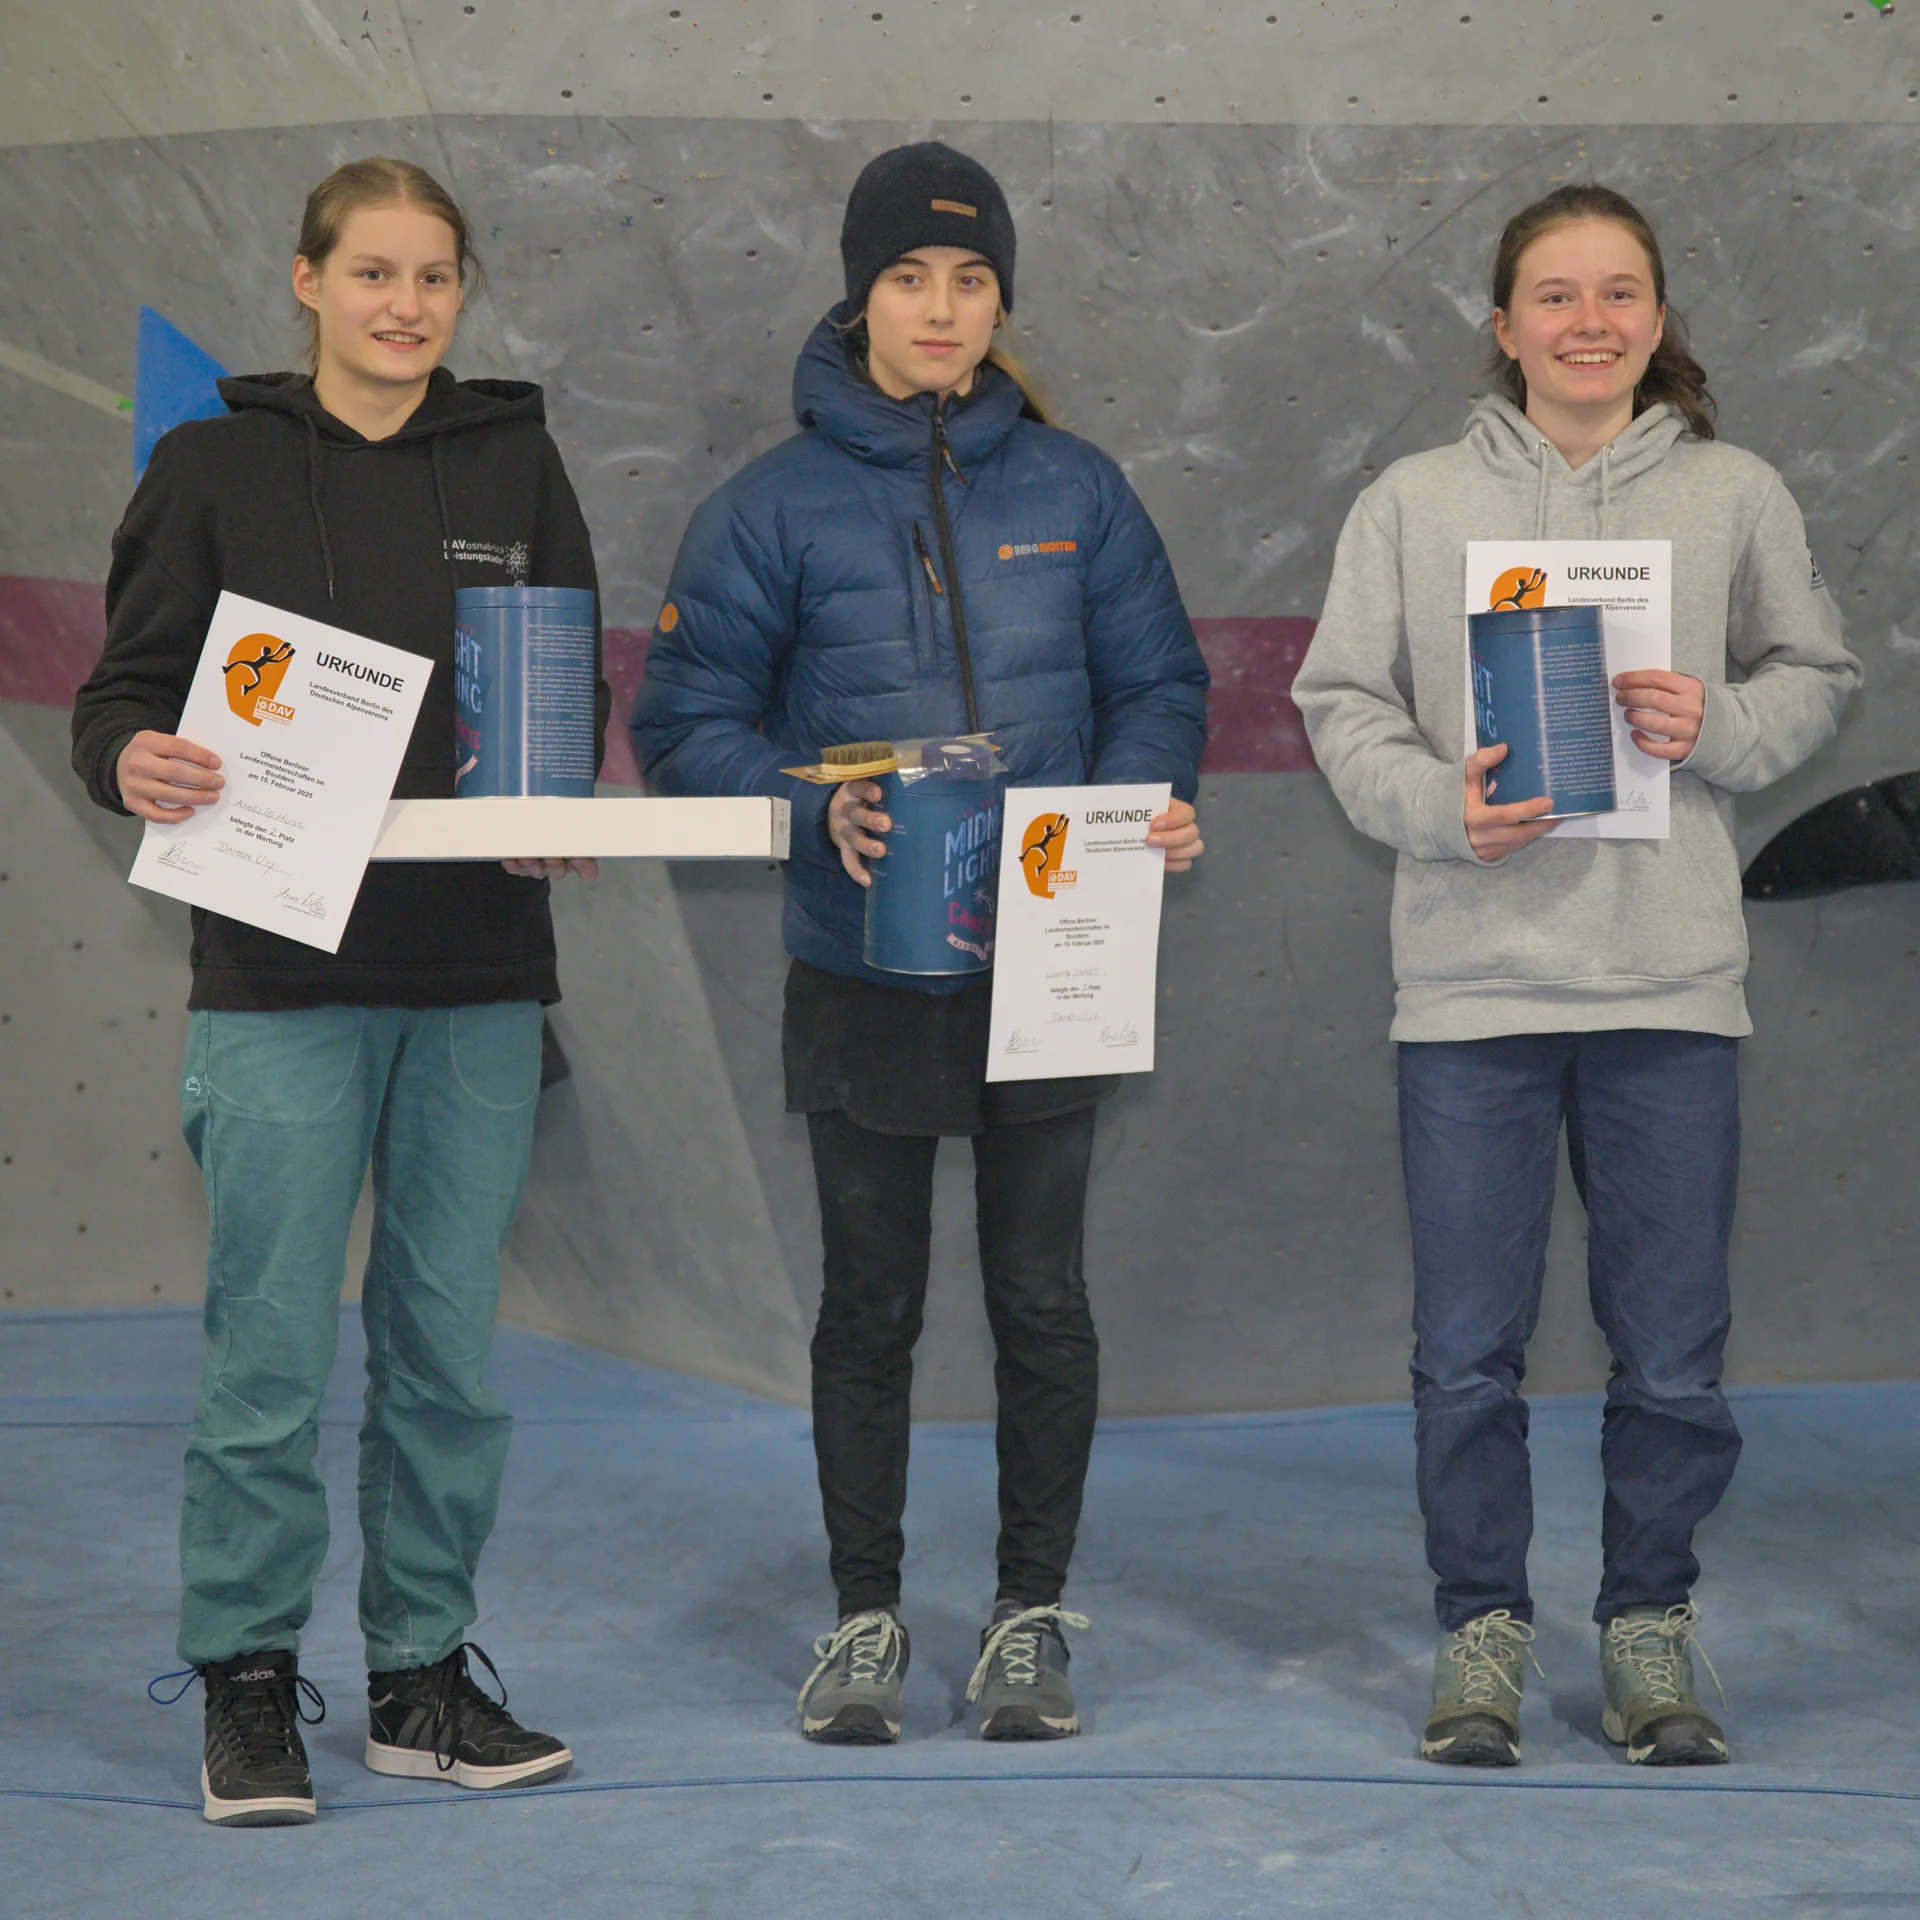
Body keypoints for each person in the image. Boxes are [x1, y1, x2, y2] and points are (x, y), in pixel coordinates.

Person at [634, 141, 1208, 1745]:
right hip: (864, 965)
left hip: (1056, 957)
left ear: (1000, 300)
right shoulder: (773, 504)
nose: (940, 308)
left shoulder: (1080, 488)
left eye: (969, 281)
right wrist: (812, 814)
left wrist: (1130, 809)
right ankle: (864, 1618)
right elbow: (681, 721)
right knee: (870, 1307)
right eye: (908, 278)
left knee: (1041, 1296)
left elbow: (1161, 684)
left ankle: (1031, 1617)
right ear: (859, 294)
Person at [1293, 182, 1860, 1770]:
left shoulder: (1735, 493)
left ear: (1658, 321)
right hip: (1472, 992)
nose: (1589, 322)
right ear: (1503, 325)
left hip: (1669, 984)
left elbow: (1820, 673)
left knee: (1673, 1346)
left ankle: (1647, 1627)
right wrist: (1439, 806)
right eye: (1556, 295)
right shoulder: (1410, 503)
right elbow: (1341, 702)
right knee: (1465, 1349)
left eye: (1620, 294)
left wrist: (1723, 730)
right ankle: (1481, 1630)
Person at [71, 158, 608, 1826]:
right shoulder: (212, 464)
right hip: (278, 978)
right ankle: (245, 1684)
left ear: (462, 294)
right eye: (372, 273)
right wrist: (131, 760)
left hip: (474, 983)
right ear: (305, 282)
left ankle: (421, 1678)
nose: (405, 306)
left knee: (449, 1356)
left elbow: (561, 689)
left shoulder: (516, 462)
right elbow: (124, 695)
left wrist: (555, 809)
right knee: (268, 1360)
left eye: (434, 278)